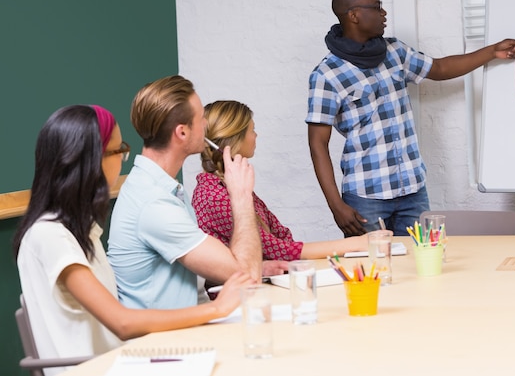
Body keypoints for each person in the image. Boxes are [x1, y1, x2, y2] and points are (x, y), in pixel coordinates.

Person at [12, 105, 254, 374]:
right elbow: (122, 323)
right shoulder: (49, 236)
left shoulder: (80, 233)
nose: (124, 158)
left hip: (121, 362)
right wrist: (217, 309)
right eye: (119, 151)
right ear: (91, 161)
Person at [306, 0, 515, 237]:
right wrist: (336, 206)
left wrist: (491, 52)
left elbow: (440, 69)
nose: (384, 13)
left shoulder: (394, 51)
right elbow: (317, 144)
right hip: (366, 197)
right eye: (376, 8)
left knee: (423, 266)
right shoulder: (326, 75)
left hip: (412, 191)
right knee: (374, 273)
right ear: (353, 15)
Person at [107, 75, 287, 310]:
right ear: (182, 132)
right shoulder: (154, 204)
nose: (206, 125)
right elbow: (247, 277)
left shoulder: (160, 187)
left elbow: (202, 267)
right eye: (201, 118)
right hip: (167, 342)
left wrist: (258, 267)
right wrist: (241, 196)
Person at [192, 100, 369, 261]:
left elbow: (281, 234)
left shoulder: (230, 184)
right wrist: (356, 244)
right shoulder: (214, 196)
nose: (256, 135)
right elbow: (275, 249)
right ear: (235, 138)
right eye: (252, 130)